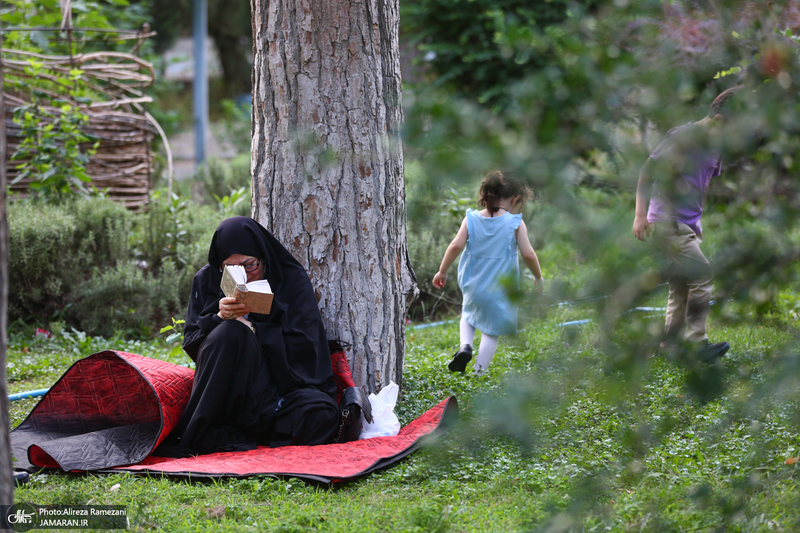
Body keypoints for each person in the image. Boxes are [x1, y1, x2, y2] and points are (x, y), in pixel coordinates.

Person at [162, 216, 341, 455]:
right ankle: (217, 429)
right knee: (230, 332)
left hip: (277, 391)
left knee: (322, 415)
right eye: (231, 268)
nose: (244, 276)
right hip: (233, 390)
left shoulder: (291, 280)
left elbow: (307, 345)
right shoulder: (206, 280)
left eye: (249, 266)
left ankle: (243, 433)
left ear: (263, 258)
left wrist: (258, 330)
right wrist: (219, 318)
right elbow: (194, 343)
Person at [632, 87, 741, 361]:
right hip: (666, 220)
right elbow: (647, 172)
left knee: (681, 284)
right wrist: (640, 215)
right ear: (718, 121)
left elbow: (703, 185)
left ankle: (669, 347)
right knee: (702, 275)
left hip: (686, 224)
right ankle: (696, 341)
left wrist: (696, 221)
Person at [432, 171, 544, 376]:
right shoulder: (515, 223)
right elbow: (528, 254)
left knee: (467, 316)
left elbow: (455, 246)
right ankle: (479, 373)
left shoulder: (471, 219)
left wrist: (442, 271)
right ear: (515, 198)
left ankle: (465, 345)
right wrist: (538, 276)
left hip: (473, 284)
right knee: (491, 332)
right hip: (500, 288)